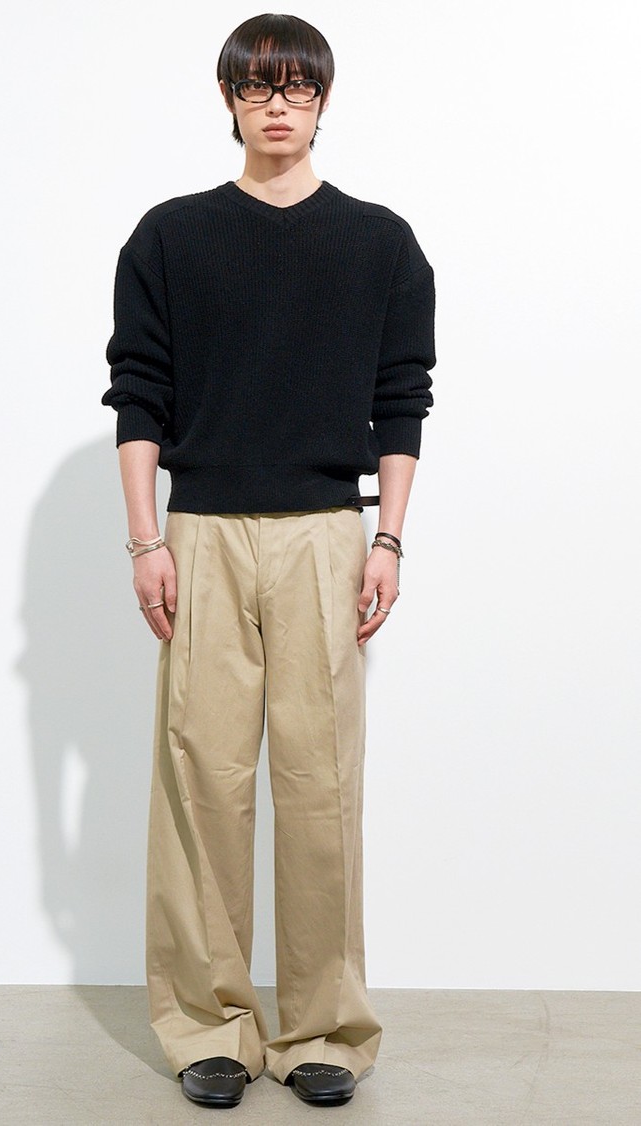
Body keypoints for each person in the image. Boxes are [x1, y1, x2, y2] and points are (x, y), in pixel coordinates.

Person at [102, 12, 436, 1109]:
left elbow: (401, 401)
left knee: (320, 784)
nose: (278, 104)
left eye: (297, 87)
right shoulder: (169, 237)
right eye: (258, 87)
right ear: (230, 100)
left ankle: (324, 1028)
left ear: (324, 101)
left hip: (326, 535)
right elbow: (139, 394)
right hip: (200, 532)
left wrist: (388, 537)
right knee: (202, 780)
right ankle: (209, 1024)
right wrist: (146, 538)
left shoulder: (382, 243)